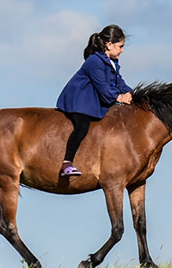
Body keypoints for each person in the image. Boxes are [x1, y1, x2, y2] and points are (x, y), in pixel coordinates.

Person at [56, 24, 133, 177]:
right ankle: (67, 163)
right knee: (82, 126)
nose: (122, 50)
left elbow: (119, 82)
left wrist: (131, 93)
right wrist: (119, 98)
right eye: (120, 46)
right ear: (109, 45)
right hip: (78, 101)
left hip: (92, 101)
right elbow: (104, 88)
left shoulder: (112, 63)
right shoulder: (94, 61)